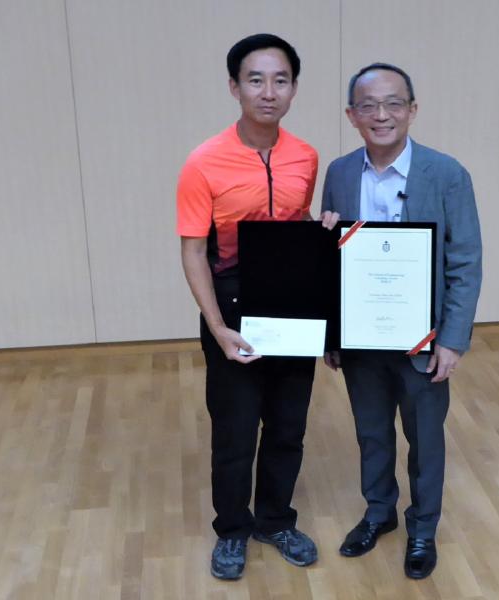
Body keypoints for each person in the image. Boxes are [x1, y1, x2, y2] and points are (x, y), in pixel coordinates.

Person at [177, 33, 336, 581]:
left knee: (289, 424)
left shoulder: (306, 156)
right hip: (231, 303)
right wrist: (218, 328)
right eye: (255, 79)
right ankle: (232, 530)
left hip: (291, 300)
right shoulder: (204, 162)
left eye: (281, 80)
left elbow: (295, 231)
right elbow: (193, 250)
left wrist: (324, 233)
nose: (268, 92)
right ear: (234, 86)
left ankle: (275, 520)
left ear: (293, 89)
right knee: (236, 429)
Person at [320, 63, 482, 579]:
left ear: (412, 110)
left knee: (425, 436)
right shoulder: (341, 173)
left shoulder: (447, 173)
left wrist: (452, 341)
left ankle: (423, 527)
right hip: (362, 339)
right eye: (368, 105)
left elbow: (465, 261)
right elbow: (329, 261)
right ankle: (378, 513)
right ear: (352, 115)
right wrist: (332, 334)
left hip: (424, 339)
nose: (381, 115)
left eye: (394, 103)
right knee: (371, 432)